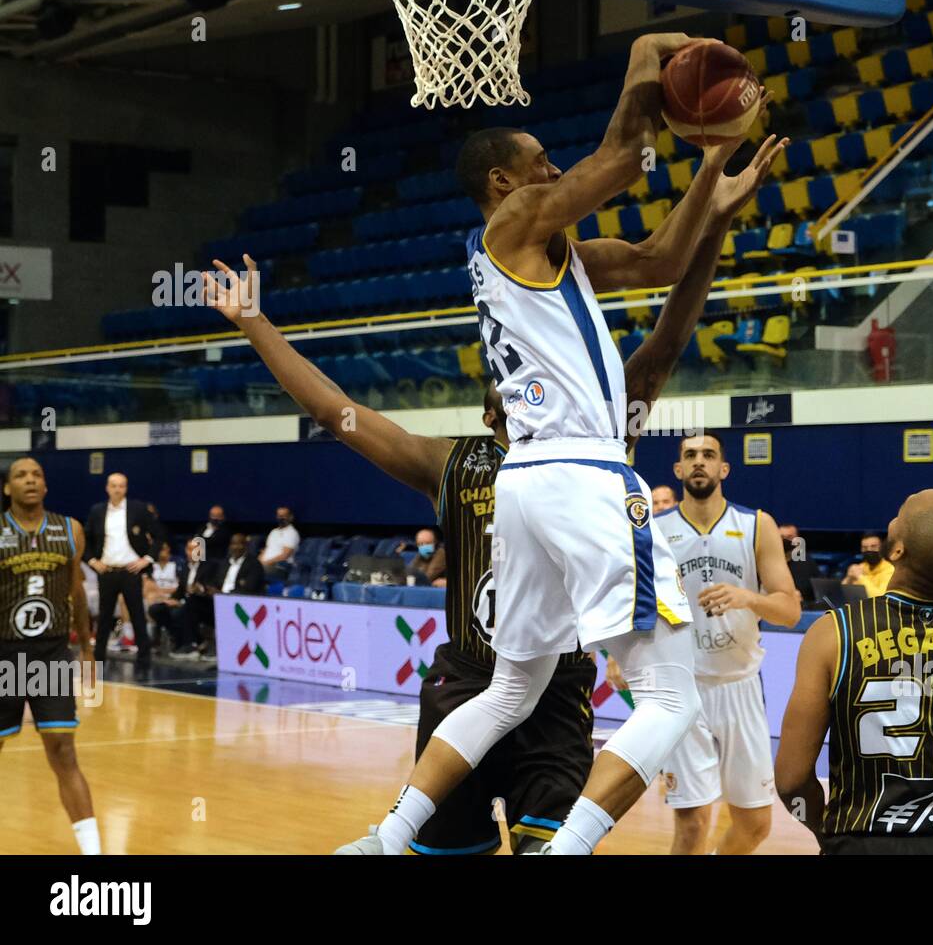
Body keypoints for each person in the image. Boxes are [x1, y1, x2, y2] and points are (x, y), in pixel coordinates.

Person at [202, 108, 782, 855]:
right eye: (537, 160)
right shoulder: (469, 456)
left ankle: (385, 837)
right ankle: (408, 838)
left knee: (523, 704)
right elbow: (335, 410)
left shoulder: (558, 370)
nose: (549, 170)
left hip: (548, 684)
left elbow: (663, 310)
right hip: (474, 666)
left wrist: (710, 216)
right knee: (669, 697)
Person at [775, 489, 933, 854]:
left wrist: (827, 831)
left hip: (864, 843)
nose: (892, 518)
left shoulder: (835, 634)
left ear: (896, 550)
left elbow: (792, 779)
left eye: (899, 514)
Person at [651, 432, 801, 854]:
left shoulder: (757, 524)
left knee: (755, 823)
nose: (699, 461)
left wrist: (747, 597)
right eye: (690, 456)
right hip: (685, 687)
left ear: (724, 469)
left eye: (709, 455)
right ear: (679, 470)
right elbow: (636, 600)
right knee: (693, 823)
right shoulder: (656, 530)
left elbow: (789, 609)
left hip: (740, 685)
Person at [0, 457, 101, 854]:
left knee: (63, 749)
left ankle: (94, 853)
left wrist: (89, 649)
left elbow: (76, 592)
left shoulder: (70, 529)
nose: (30, 480)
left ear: (45, 486)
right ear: (7, 488)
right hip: (4, 654)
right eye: (20, 475)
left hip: (51, 654)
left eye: (37, 474)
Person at [83, 472, 162, 670]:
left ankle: (144, 661)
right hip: (107, 571)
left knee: (137, 616)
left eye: (121, 486)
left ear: (126, 488)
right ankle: (98, 659)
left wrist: (147, 559)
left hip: (130, 570)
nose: (117, 489)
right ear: (107, 488)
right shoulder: (97, 511)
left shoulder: (138, 509)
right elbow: (85, 540)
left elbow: (159, 535)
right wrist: (93, 561)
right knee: (104, 617)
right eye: (114, 485)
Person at [144, 543, 182, 651]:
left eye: (163, 549)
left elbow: (181, 586)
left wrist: (161, 591)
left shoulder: (176, 563)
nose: (161, 552)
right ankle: (152, 635)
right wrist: (159, 592)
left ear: (168, 549)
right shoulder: (152, 565)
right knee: (150, 597)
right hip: (156, 596)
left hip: (173, 596)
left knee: (153, 598)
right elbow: (147, 585)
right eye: (159, 549)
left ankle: (155, 636)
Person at [841, 531, 894, 597]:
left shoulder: (890, 569)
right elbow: (841, 594)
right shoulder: (860, 567)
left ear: (882, 548)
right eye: (865, 547)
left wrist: (860, 577)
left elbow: (879, 597)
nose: (869, 550)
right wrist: (849, 578)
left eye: (873, 546)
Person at [258, 506, 300, 578]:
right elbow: (266, 550)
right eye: (279, 516)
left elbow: (285, 556)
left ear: (290, 517)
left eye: (284, 516)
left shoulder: (292, 533)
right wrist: (257, 562)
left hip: (280, 567)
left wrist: (265, 563)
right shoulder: (274, 532)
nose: (281, 518)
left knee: (254, 571)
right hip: (265, 565)